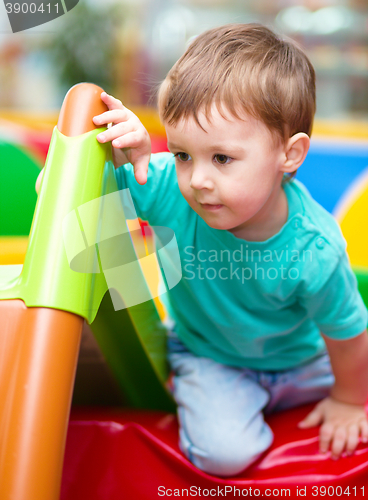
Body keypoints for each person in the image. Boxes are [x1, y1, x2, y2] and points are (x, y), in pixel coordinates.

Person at [38, 23, 368, 477]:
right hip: (213, 357)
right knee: (224, 455)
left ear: (289, 156)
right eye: (182, 154)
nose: (198, 180)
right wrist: (111, 157)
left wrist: (348, 402)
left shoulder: (315, 247)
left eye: (223, 158)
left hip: (304, 363)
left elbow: (347, 331)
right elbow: (57, 194)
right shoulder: (167, 187)